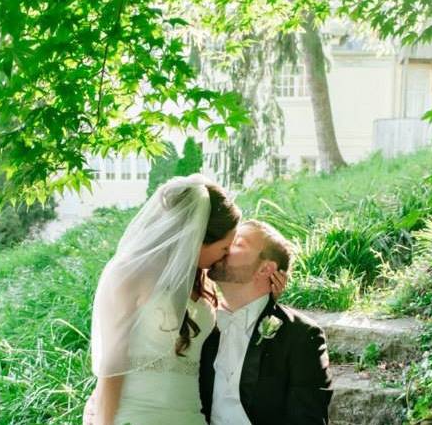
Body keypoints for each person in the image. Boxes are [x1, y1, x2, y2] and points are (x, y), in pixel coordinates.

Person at [83, 174, 286, 425]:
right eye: (223, 248)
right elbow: (112, 362)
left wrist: (267, 299)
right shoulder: (129, 275)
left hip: (190, 416)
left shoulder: (203, 283)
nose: (225, 256)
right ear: (198, 238)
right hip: (136, 414)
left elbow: (230, 327)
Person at [200, 220, 332, 425]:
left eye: (238, 243)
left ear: (264, 269)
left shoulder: (301, 335)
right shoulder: (199, 324)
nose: (223, 248)